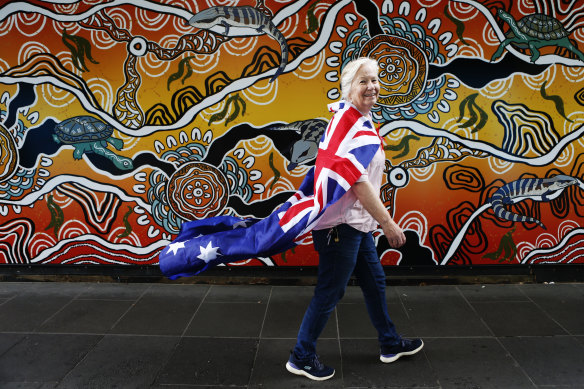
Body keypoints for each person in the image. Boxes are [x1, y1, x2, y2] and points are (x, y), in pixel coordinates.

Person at [285, 57, 424, 381]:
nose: (372, 86)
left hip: (357, 225)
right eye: (364, 81)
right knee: (330, 291)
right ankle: (301, 356)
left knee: (374, 284)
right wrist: (388, 223)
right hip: (340, 226)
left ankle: (389, 343)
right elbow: (358, 182)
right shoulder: (347, 125)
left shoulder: (360, 120)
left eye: (375, 80)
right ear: (349, 87)